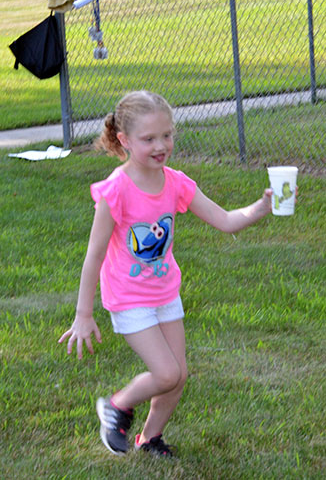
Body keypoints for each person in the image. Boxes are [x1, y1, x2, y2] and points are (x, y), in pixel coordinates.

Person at [59, 90, 273, 458]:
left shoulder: (175, 182)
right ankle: (117, 405)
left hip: (164, 293)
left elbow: (224, 220)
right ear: (124, 140)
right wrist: (84, 314)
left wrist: (262, 206)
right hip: (128, 298)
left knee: (178, 377)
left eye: (167, 135)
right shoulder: (117, 190)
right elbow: (93, 256)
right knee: (166, 373)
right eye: (149, 139)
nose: (161, 146)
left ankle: (149, 439)